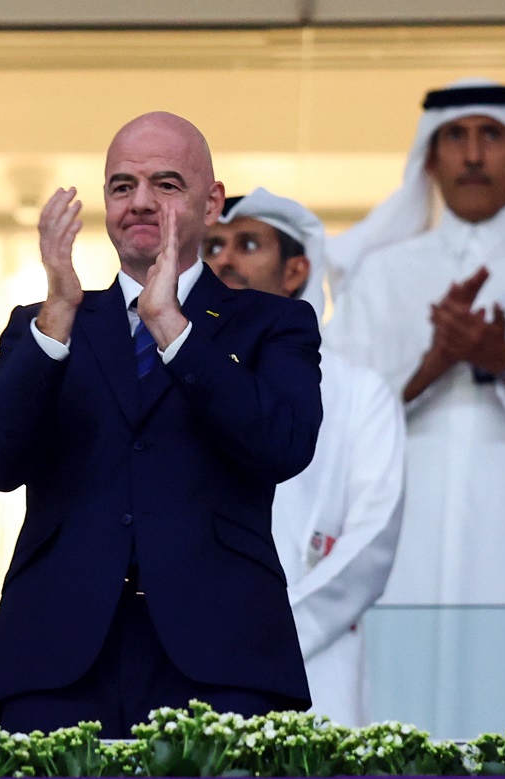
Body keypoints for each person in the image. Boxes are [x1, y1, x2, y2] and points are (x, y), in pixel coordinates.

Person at [0, 112, 322, 738]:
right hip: (57, 656)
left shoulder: (272, 323)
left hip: (220, 653)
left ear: (211, 204)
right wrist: (58, 316)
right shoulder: (46, 321)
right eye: (122, 186)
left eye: (166, 184)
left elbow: (283, 446)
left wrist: (173, 331)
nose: (140, 203)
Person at [323, 79, 505, 737]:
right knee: (398, 709)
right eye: (455, 137)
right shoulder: (384, 274)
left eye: (490, 135)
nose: (472, 155)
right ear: (430, 158)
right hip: (403, 532)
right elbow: (331, 410)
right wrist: (429, 367)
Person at [203, 188, 405, 726]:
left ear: (295, 271)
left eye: (247, 243)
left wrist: (274, 630)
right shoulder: (168, 375)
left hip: (315, 656)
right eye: (212, 246)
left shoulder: (360, 391)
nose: (224, 259)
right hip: (187, 659)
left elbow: (371, 541)